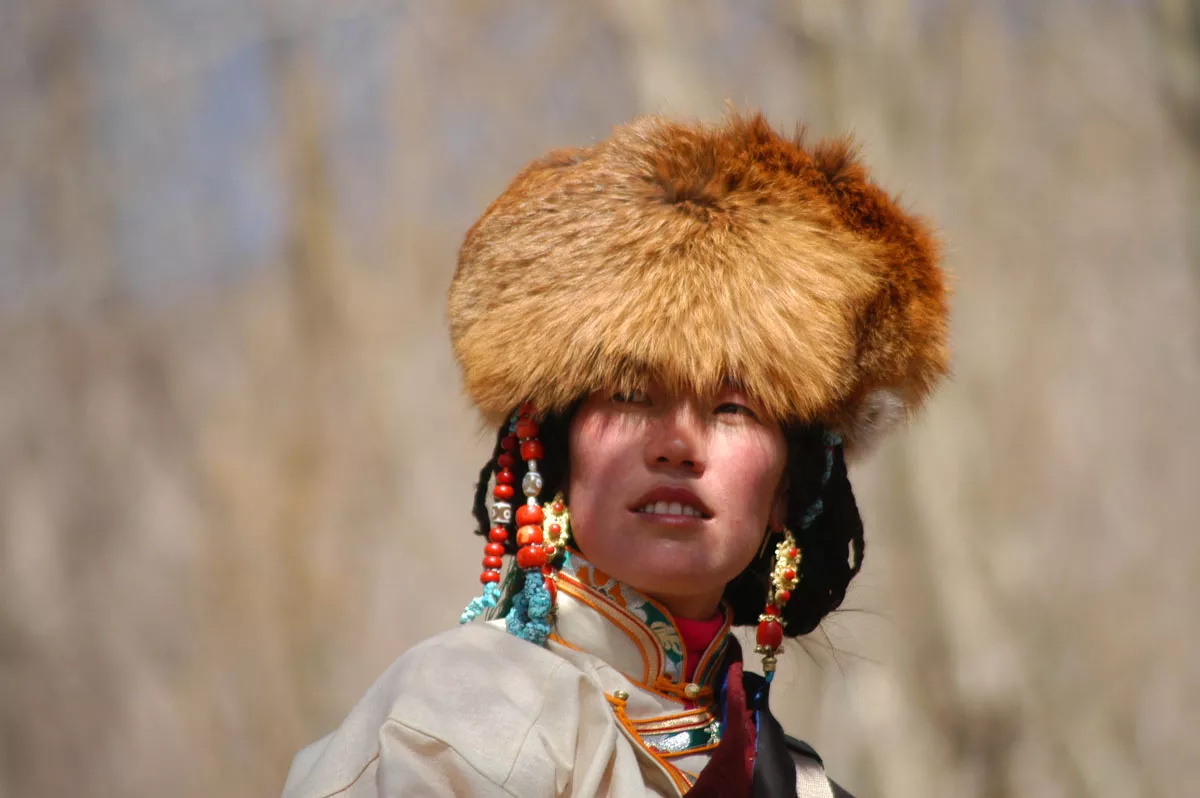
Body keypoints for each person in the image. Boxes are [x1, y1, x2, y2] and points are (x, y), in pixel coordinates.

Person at [281, 112, 949, 798]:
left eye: (733, 408)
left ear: (790, 488)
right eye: (632, 396)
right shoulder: (454, 722)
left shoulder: (803, 787)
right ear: (557, 449)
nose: (679, 445)